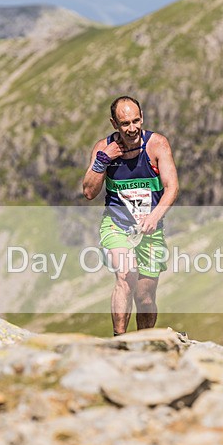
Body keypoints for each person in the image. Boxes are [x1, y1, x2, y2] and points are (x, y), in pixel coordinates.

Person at [83, 96, 179, 336]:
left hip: (150, 229)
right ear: (114, 124)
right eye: (125, 123)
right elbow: (88, 192)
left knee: (145, 297)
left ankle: (143, 343)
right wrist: (102, 161)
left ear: (142, 117)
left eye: (136, 120)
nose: (132, 128)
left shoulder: (157, 145)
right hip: (116, 225)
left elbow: (172, 188)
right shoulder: (103, 148)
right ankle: (120, 342)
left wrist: (155, 216)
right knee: (126, 276)